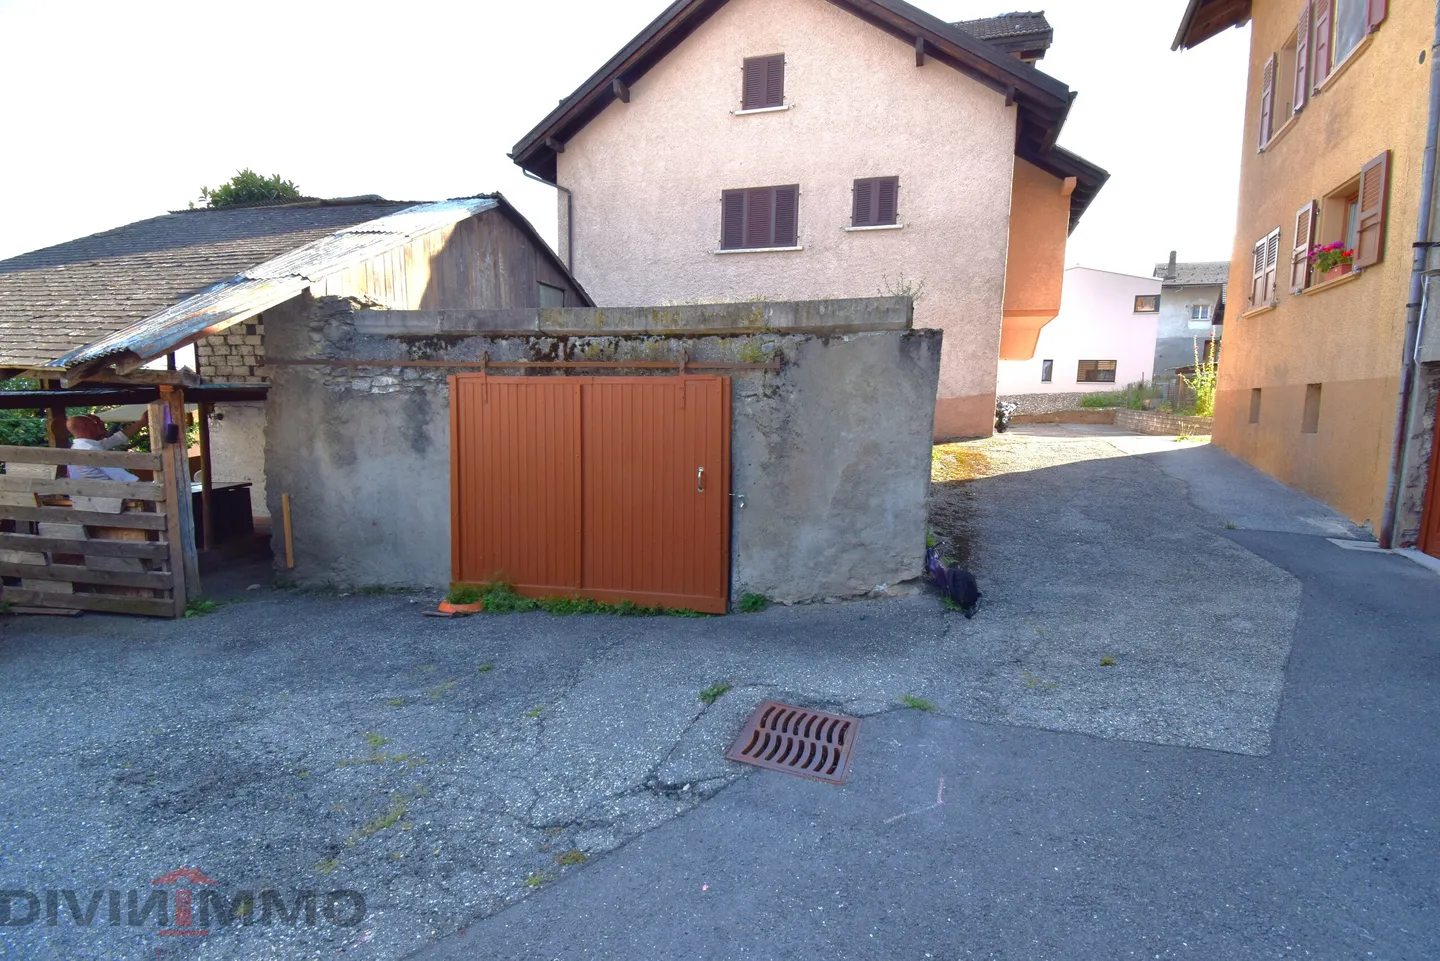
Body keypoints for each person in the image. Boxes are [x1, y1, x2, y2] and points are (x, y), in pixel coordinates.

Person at [66, 412, 148, 482]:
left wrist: (142, 422)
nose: (100, 426)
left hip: (84, 496)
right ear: (84, 427)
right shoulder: (92, 450)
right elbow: (123, 477)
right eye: (95, 424)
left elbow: (117, 438)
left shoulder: (77, 447)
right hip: (104, 498)